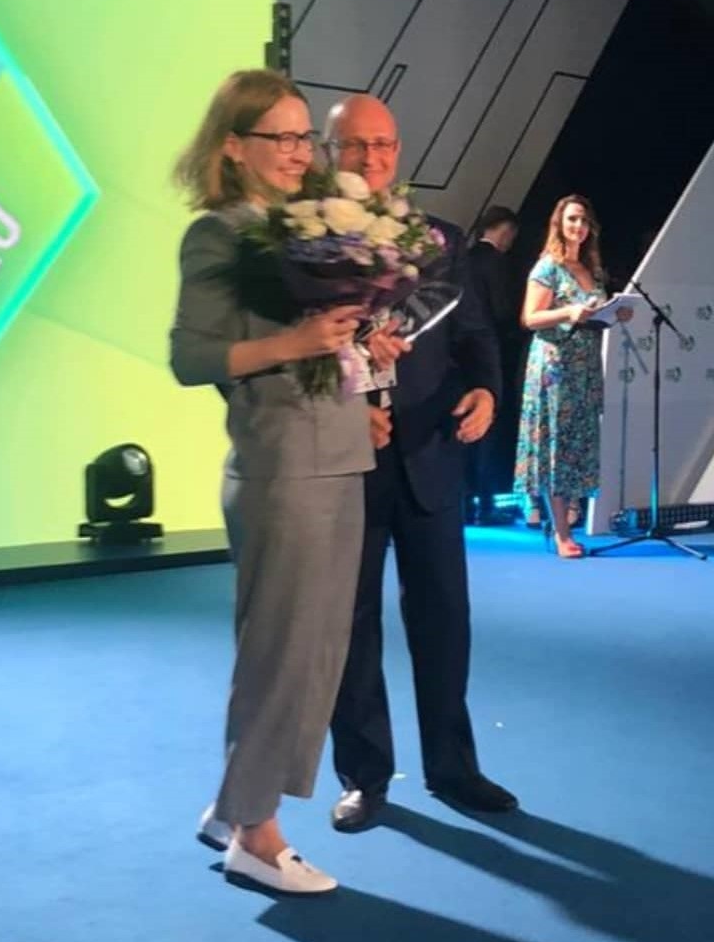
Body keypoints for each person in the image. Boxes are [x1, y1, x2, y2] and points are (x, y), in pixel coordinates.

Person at [169, 69, 384, 896]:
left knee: (316, 651)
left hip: (340, 453)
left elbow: (321, 346)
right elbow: (191, 357)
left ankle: (237, 802)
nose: (300, 151)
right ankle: (255, 837)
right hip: (281, 465)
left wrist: (360, 354)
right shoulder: (219, 234)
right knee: (281, 653)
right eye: (281, 136)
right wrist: (296, 343)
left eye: (304, 136)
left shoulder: (310, 226)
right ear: (234, 145)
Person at [324, 93, 518, 833]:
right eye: (355, 146)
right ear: (329, 153)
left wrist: (486, 391)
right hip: (343, 463)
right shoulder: (304, 241)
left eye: (383, 145)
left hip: (432, 456)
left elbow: (476, 335)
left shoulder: (439, 239)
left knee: (444, 621)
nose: (371, 158)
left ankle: (454, 767)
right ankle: (364, 776)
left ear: (399, 152)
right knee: (350, 628)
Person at [515, 194, 630, 560]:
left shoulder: (591, 269)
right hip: (555, 366)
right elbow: (530, 318)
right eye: (571, 219)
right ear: (559, 224)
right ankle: (561, 532)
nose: (578, 226)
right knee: (556, 447)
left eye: (583, 220)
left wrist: (613, 315)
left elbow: (592, 316)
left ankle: (568, 520)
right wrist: (568, 312)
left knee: (577, 445)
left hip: (585, 367)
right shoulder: (548, 266)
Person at [465, 205, 521, 525]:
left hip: (461, 355)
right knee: (489, 427)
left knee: (465, 427)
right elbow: (501, 310)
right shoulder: (495, 263)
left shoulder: (464, 258)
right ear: (505, 230)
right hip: (491, 352)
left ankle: (465, 504)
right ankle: (486, 504)